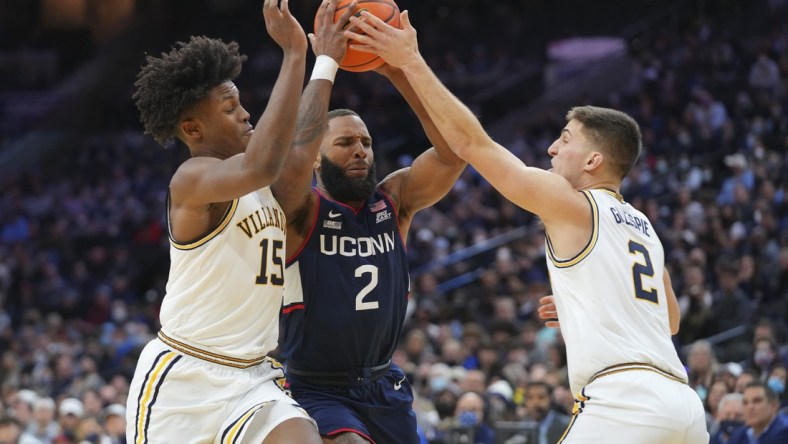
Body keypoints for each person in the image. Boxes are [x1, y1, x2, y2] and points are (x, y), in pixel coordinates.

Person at [346, 11, 709, 443]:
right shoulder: (645, 228)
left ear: (594, 161)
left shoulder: (574, 204)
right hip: (684, 406)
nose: (553, 148)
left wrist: (411, 62)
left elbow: (470, 144)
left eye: (566, 139)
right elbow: (669, 319)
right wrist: (591, 302)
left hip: (625, 404)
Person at [124, 0, 323, 442]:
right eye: (231, 107)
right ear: (193, 130)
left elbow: (301, 148)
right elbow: (262, 164)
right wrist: (294, 56)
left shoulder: (260, 185)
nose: (246, 113)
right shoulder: (192, 179)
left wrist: (324, 62)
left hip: (254, 378)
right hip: (185, 380)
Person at [272, 7, 467, 442]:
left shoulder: (394, 201)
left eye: (365, 142)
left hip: (383, 382)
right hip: (314, 386)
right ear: (317, 157)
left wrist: (397, 71)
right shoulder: (300, 211)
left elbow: (454, 153)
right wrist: (325, 63)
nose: (360, 150)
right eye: (344, 143)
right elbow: (292, 159)